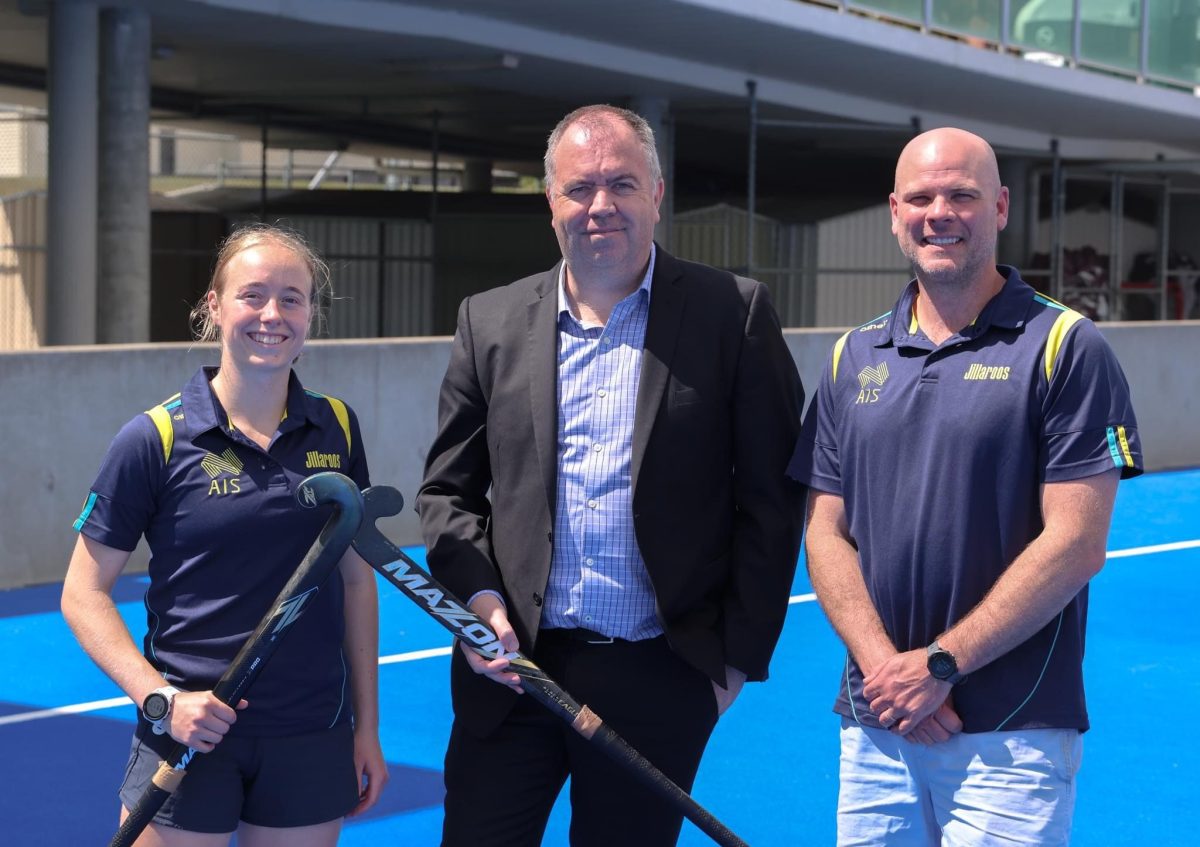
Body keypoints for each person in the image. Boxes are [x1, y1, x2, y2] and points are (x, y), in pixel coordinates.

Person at [416, 104, 805, 846]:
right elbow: (447, 492)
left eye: (622, 184)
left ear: (657, 193)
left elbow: (771, 498)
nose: (601, 206)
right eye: (580, 188)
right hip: (512, 669)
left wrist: (726, 669)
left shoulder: (735, 314)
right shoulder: (489, 320)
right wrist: (479, 603)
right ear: (550, 202)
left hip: (660, 675)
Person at [788, 127, 1143, 845]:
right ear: (894, 211)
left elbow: (1076, 542)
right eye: (920, 197)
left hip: (1011, 736)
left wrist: (942, 665)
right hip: (879, 724)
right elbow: (825, 530)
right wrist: (894, 676)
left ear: (1002, 207)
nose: (938, 212)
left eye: (962, 195)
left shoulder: (1066, 346)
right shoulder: (852, 355)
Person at [61, 224, 388, 846]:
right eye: (252, 295)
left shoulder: (338, 428)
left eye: (292, 298)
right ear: (214, 307)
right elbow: (83, 593)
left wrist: (366, 727)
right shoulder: (152, 438)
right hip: (187, 735)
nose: (273, 314)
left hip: (310, 733)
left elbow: (354, 581)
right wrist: (161, 701)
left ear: (312, 314)